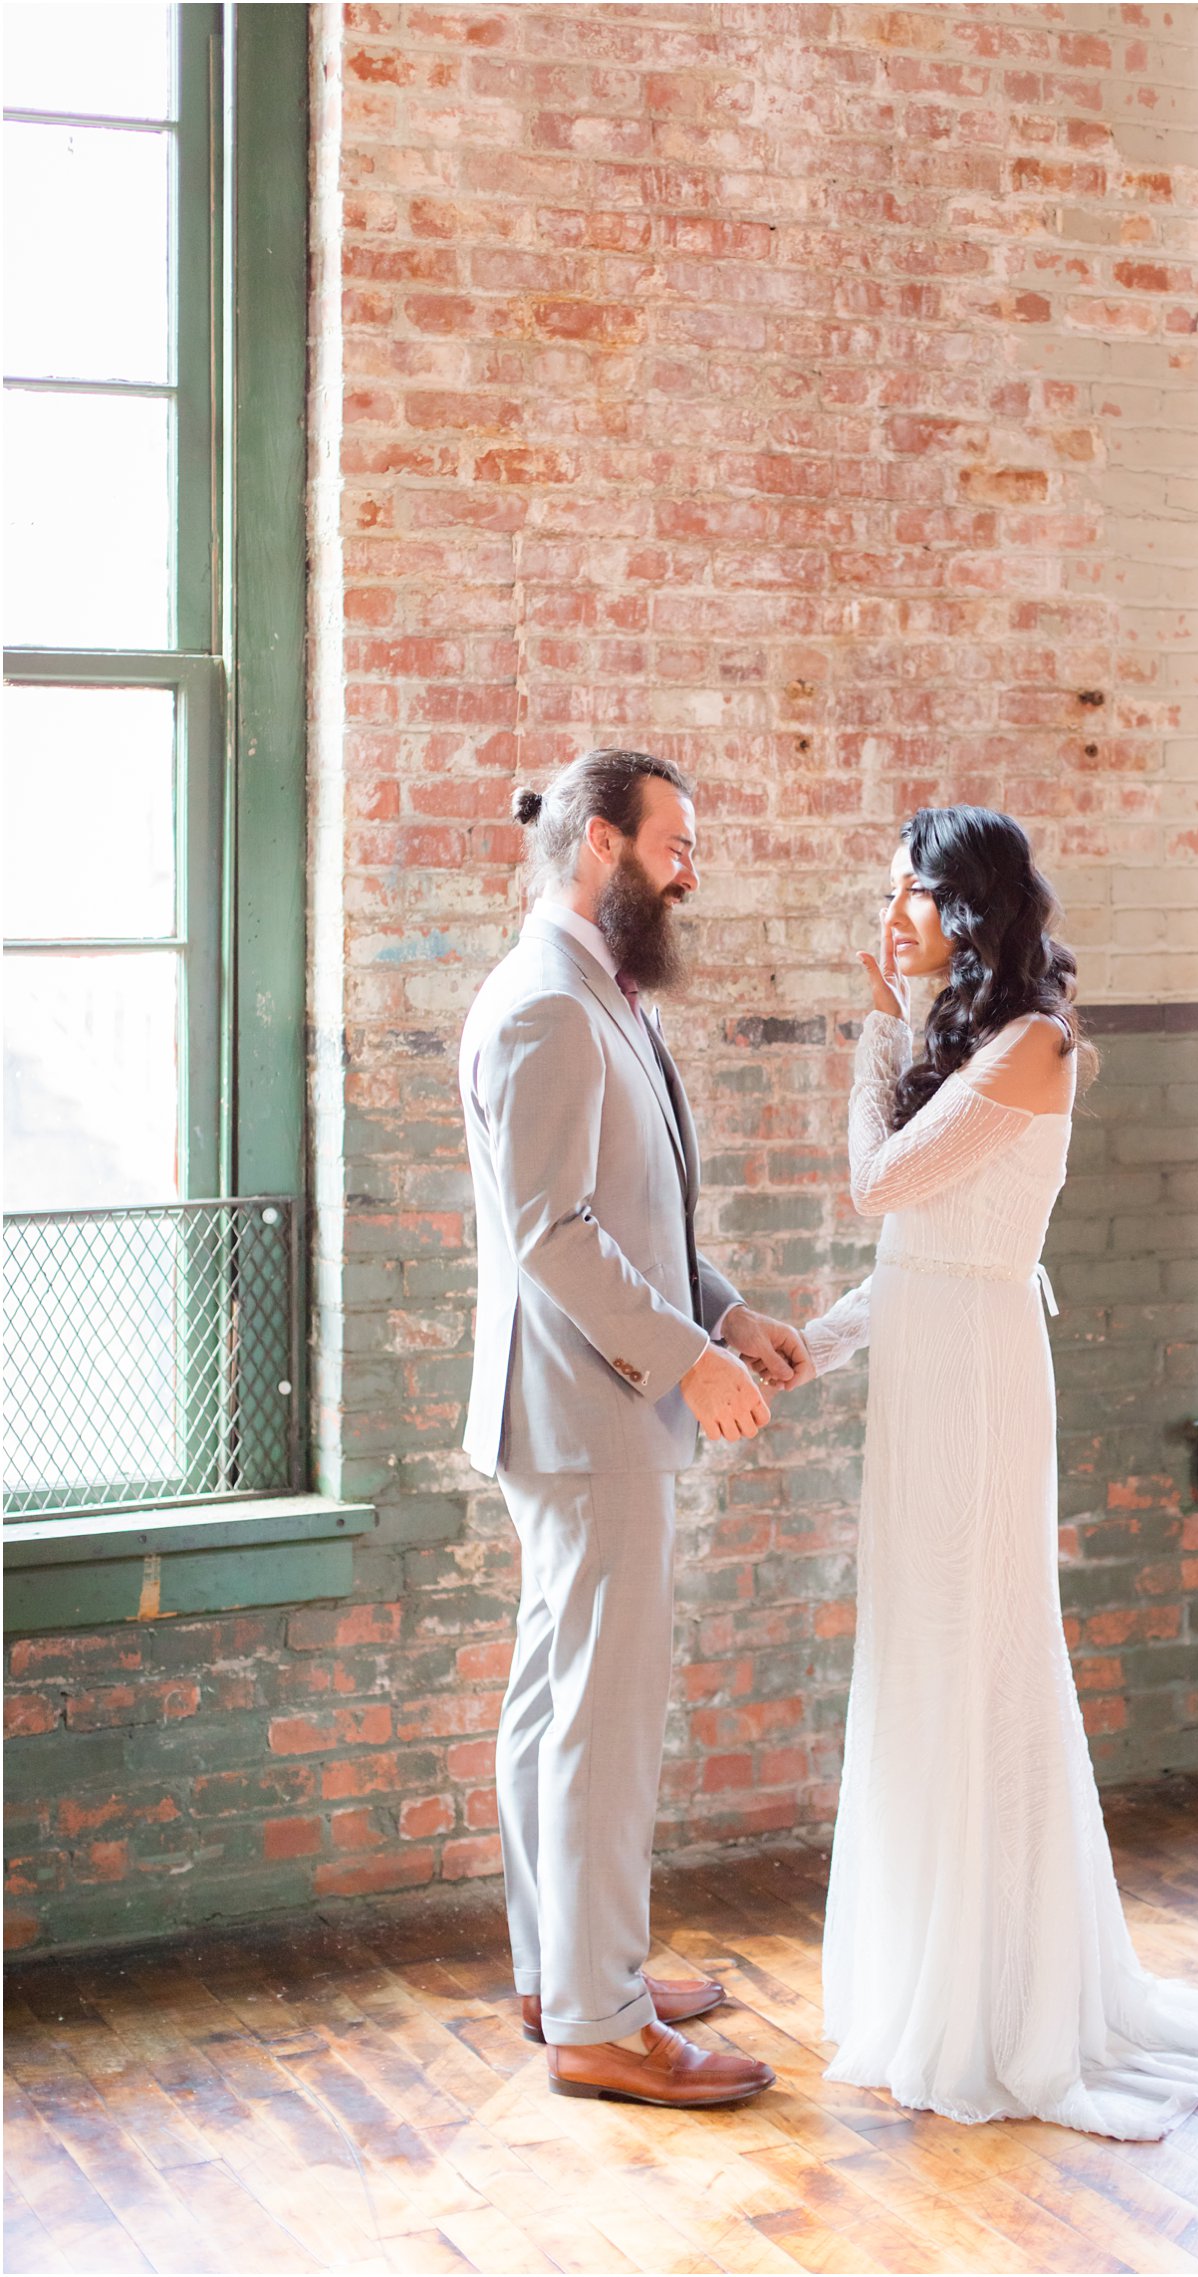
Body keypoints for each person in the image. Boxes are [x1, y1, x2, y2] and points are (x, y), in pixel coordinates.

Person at [802, 805, 1198, 2138]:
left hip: (975, 1377)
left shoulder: (1035, 1047)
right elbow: (914, 1248)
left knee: (980, 1654)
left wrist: (872, 1032)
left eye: (910, 893)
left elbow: (877, 1186)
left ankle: (1005, 2001)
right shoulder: (965, 1046)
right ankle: (934, 1969)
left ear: (970, 908)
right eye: (886, 894)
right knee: (920, 1659)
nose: (890, 919)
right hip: (927, 1357)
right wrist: (818, 1342)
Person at [458, 747, 809, 2108]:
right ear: (600, 842)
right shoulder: (546, 1004)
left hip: (577, 1406)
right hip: (590, 1407)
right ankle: (600, 2022)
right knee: (600, 1718)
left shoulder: (586, 989)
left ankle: (565, 1972)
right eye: (676, 844)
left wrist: (723, 1318)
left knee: (558, 1697)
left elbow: (634, 1211)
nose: (691, 869)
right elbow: (555, 1233)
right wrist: (681, 1363)